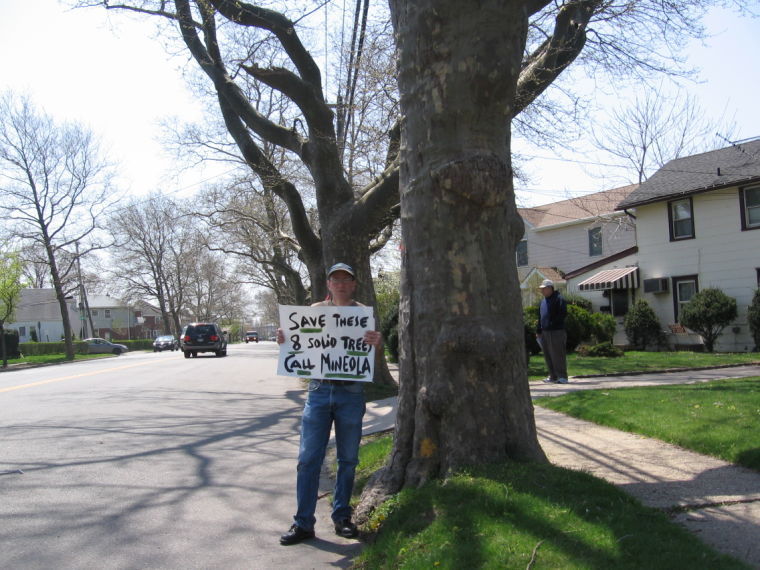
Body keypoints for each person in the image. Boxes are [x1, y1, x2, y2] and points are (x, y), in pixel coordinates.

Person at [277, 262, 383, 546]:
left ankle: (342, 517)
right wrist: (284, 339)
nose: (340, 284)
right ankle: (303, 523)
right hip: (319, 392)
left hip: (351, 393)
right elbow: (298, 344)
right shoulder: (313, 312)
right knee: (308, 459)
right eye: (335, 279)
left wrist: (377, 341)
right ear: (328, 284)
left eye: (345, 279)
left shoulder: (362, 314)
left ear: (353, 284)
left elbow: (372, 353)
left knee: (348, 459)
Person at [536, 279, 568, 384]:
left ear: (550, 288)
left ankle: (562, 376)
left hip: (556, 331)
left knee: (557, 354)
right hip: (545, 332)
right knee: (548, 355)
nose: (542, 291)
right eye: (542, 289)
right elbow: (540, 317)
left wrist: (552, 324)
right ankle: (553, 376)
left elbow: (562, 314)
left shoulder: (559, 299)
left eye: (544, 289)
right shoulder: (543, 301)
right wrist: (539, 330)